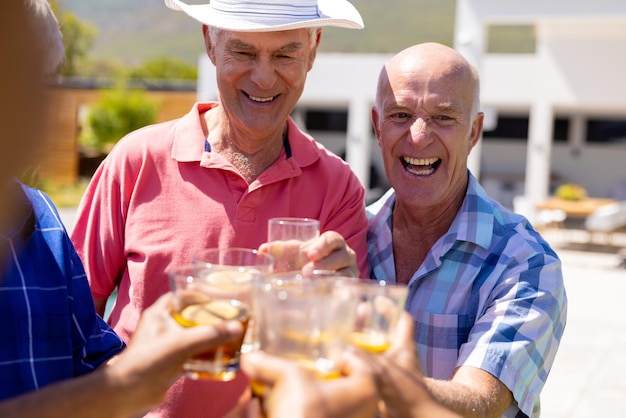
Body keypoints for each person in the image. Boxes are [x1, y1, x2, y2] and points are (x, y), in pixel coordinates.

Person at [70, 0, 369, 416]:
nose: (264, 77)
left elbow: (343, 365)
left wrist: (339, 302)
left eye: (285, 54)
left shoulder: (338, 188)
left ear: (313, 49)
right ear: (210, 42)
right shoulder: (136, 160)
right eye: (243, 52)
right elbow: (70, 320)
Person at [0, 1, 245, 417]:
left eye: (43, 87)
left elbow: (92, 361)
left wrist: (155, 355)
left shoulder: (41, 219)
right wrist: (126, 386)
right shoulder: (135, 159)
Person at [326, 43, 567, 417]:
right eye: (401, 115)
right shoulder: (350, 239)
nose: (419, 136)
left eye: (443, 117)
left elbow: (478, 405)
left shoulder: (525, 263)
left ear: (474, 132)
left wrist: (363, 378)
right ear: (376, 126)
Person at [238, 312, 462, 418]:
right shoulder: (373, 230)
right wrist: (415, 406)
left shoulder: (497, 259)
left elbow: (485, 399)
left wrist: (410, 402)